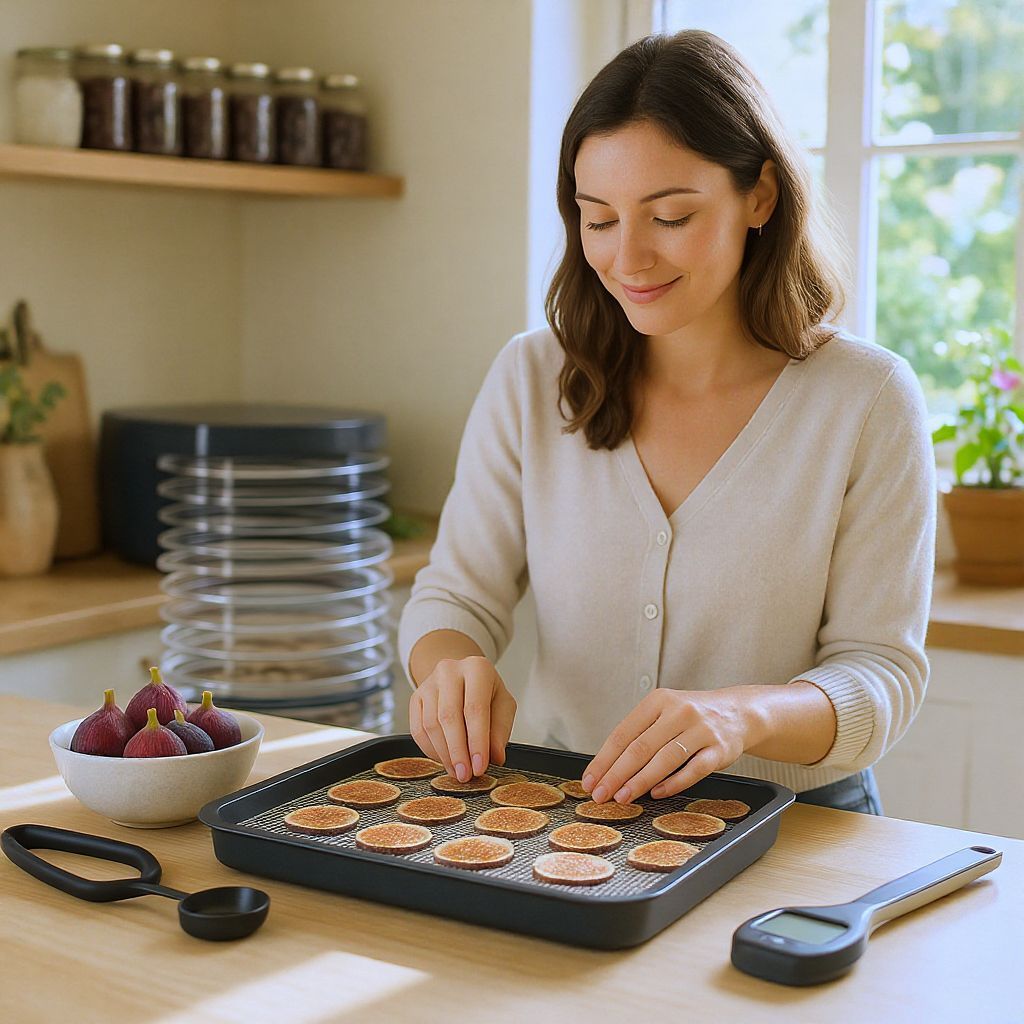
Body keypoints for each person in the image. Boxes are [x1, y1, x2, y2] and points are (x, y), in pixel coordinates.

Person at [397, 29, 936, 815]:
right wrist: (448, 665)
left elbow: (880, 671)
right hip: (564, 814)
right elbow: (454, 596)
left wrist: (741, 716)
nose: (629, 259)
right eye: (599, 220)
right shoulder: (532, 376)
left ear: (760, 196)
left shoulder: (867, 397)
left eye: (671, 216)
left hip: (798, 825)